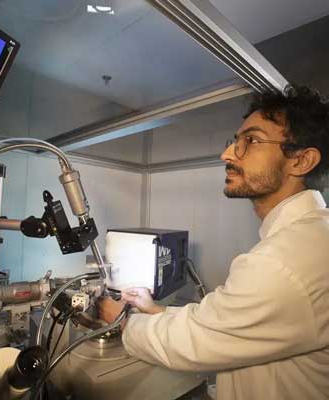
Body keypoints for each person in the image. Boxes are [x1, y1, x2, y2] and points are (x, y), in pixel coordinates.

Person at [98, 85, 329, 400]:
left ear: (301, 161)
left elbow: (193, 340)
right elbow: (224, 323)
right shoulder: (308, 237)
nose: (227, 154)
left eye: (251, 141)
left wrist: (122, 319)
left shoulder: (282, 262)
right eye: (235, 141)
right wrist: (153, 310)